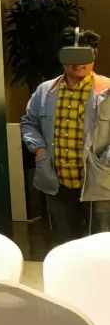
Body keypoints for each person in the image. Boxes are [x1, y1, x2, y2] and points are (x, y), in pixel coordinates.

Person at [21, 28, 110, 240]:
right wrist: (40, 150)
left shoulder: (107, 90)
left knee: (100, 245)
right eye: (70, 55)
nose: (77, 63)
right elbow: (29, 123)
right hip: (57, 182)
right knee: (64, 244)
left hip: (99, 183)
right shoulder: (45, 91)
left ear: (94, 55)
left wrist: (106, 161)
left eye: (84, 55)